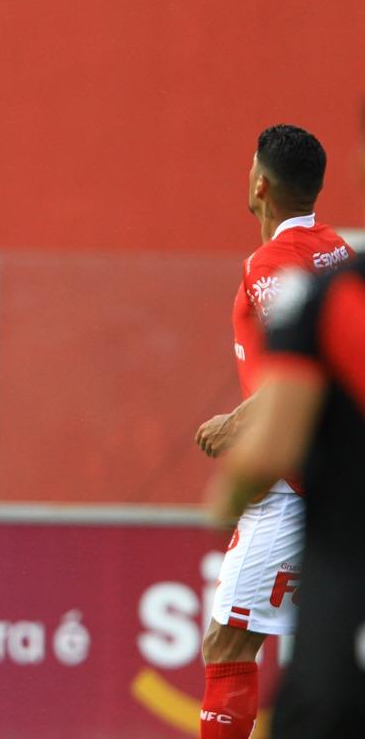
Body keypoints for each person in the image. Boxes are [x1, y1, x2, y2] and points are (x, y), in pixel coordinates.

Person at [192, 125, 352, 739]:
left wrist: (239, 420)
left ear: (259, 185)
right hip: (330, 475)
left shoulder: (272, 264)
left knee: (227, 642)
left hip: (290, 480)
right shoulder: (333, 244)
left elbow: (310, 353)